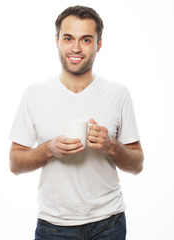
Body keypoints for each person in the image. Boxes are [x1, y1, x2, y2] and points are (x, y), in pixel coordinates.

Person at [9, 5, 144, 240]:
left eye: (86, 40)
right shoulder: (34, 94)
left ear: (99, 45)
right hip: (53, 226)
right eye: (68, 38)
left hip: (108, 223)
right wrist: (48, 149)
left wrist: (111, 146)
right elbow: (15, 164)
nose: (76, 48)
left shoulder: (118, 93)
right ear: (57, 41)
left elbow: (137, 165)